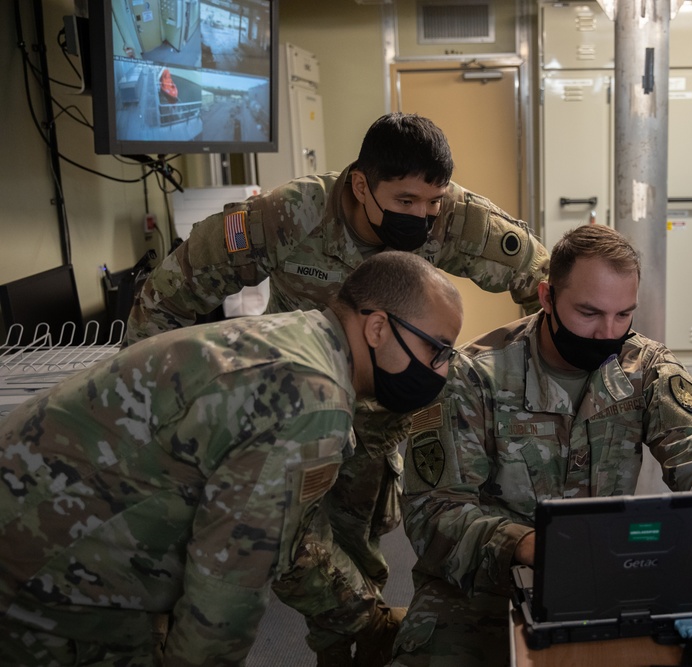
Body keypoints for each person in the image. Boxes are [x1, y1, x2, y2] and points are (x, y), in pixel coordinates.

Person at [125, 112, 550, 664]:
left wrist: (524, 398)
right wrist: (149, 415)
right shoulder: (289, 216)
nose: (421, 217)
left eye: (432, 202)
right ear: (359, 185)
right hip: (286, 408)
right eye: (404, 203)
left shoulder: (457, 219)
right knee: (269, 545)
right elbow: (169, 296)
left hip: (377, 419)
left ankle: (352, 645)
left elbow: (543, 287)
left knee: (351, 555)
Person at [392, 225, 692, 666]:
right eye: (588, 313)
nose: (608, 332)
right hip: (483, 585)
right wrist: (531, 545)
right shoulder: (474, 377)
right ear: (547, 297)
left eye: (624, 314)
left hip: (602, 579)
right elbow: (433, 511)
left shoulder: (645, 368)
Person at [0, 251, 463, 667]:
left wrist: (367, 617)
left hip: (48, 522)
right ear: (377, 327)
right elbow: (225, 593)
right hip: (45, 570)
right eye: (436, 350)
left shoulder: (302, 339)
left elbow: (289, 543)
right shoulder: (311, 398)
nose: (441, 370)